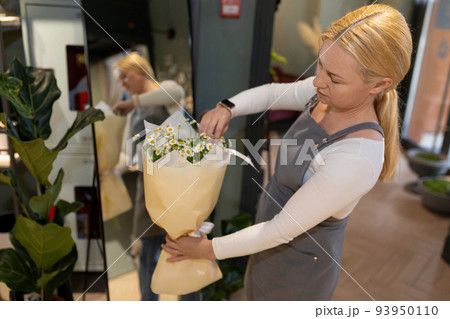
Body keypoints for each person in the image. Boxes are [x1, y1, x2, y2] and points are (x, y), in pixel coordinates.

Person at [162, 4, 412, 300]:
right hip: (265, 249)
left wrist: (209, 249)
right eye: (320, 65)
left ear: (380, 84)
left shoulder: (357, 158)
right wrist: (228, 107)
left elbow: (280, 230)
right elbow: (273, 93)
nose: (318, 81)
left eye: (334, 77)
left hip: (298, 275)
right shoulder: (323, 95)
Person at [112, 52, 184, 301]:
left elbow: (174, 90)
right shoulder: (136, 108)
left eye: (125, 75)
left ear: (140, 70)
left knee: (183, 258)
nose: (122, 82)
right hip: (150, 192)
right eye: (118, 78)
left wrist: (133, 103)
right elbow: (130, 155)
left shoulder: (164, 94)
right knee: (149, 259)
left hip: (175, 191)